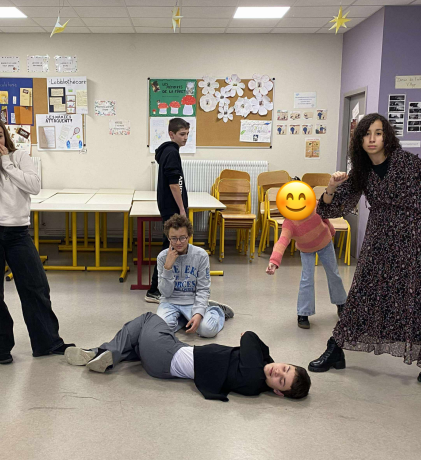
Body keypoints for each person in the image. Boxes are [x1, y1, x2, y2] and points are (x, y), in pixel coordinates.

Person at [309, 113, 421, 383]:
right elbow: (330, 208)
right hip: (380, 239)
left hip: (415, 239)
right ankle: (335, 348)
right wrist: (331, 187)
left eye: (378, 133)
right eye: (366, 134)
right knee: (362, 292)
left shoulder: (407, 162)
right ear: (359, 140)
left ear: (387, 137)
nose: (372, 139)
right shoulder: (361, 171)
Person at [0, 117, 72, 365]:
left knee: (36, 287)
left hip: (18, 234)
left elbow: (34, 186)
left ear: (6, 137)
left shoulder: (20, 158)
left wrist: (7, 164)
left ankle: (47, 342)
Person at [64, 313, 310, 401]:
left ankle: (103, 352)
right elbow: (254, 349)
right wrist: (266, 359)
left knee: (148, 319)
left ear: (277, 392)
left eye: (281, 380)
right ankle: (102, 353)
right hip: (170, 355)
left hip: (166, 355)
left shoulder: (253, 374)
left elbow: (250, 338)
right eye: (285, 368)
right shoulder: (255, 379)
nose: (277, 371)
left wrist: (265, 356)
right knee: (137, 339)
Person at [265, 178, 347, 329]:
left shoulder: (314, 205)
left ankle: (342, 303)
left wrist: (331, 231)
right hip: (306, 249)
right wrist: (274, 261)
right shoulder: (289, 222)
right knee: (307, 279)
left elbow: (325, 218)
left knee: (333, 274)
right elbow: (282, 241)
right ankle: (303, 313)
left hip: (325, 243)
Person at [156, 214, 233, 338]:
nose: (178, 242)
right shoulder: (162, 257)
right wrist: (167, 268)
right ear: (168, 238)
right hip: (170, 301)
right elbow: (165, 293)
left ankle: (217, 311)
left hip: (192, 300)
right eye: (173, 238)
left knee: (207, 330)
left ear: (189, 236)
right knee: (160, 330)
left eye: (183, 238)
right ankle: (184, 318)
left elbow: (203, 288)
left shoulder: (201, 255)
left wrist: (198, 313)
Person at [146, 118, 190, 303]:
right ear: (171, 134)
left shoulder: (169, 151)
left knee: (172, 247)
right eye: (182, 134)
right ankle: (154, 290)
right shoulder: (171, 152)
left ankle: (166, 286)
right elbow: (174, 184)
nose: (185, 138)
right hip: (173, 208)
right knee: (170, 248)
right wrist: (181, 209)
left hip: (170, 207)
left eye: (187, 134)